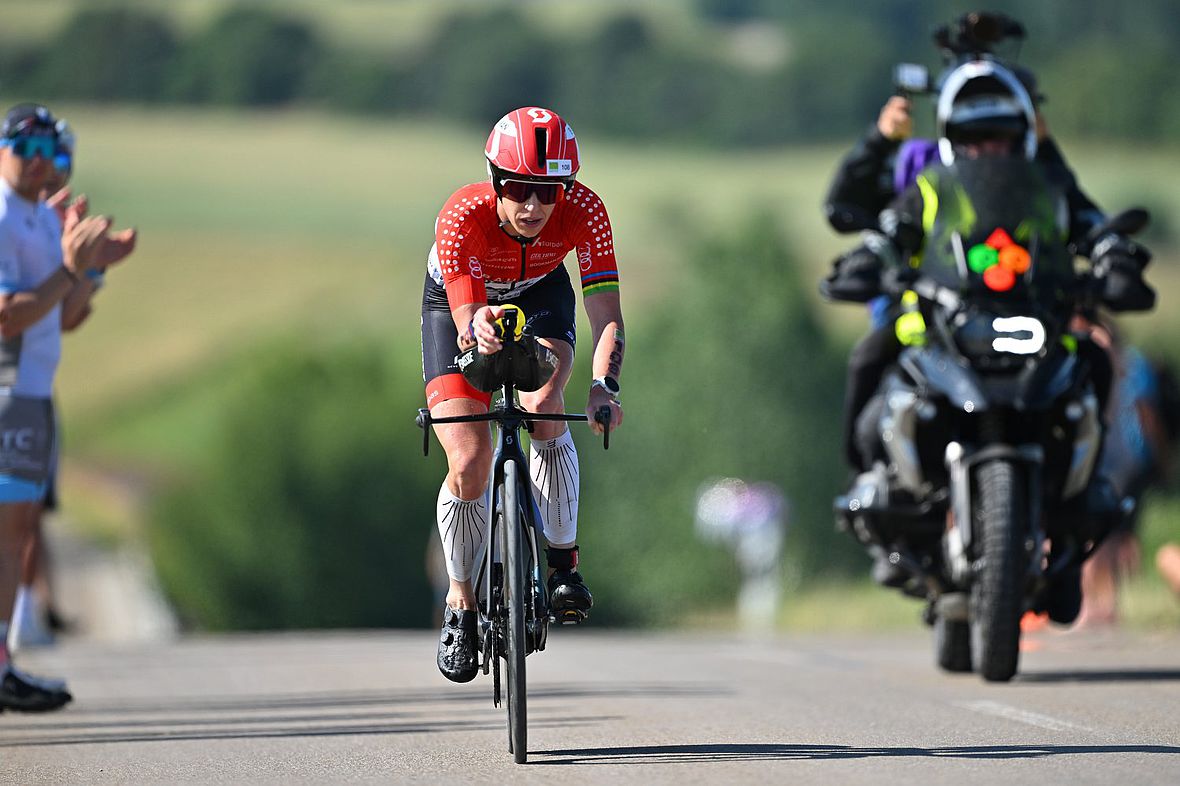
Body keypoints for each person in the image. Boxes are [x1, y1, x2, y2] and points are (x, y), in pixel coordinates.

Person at [821, 61, 1154, 616]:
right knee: (871, 359)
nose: (988, 150)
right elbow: (885, 232)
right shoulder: (930, 190)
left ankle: (1082, 495)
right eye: (976, 139)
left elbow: (1093, 228)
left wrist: (1113, 258)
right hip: (942, 337)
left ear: (1023, 136)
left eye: (1001, 138)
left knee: (1094, 359)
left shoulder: (1048, 190)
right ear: (954, 141)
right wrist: (866, 261)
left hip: (1035, 335)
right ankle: (873, 482)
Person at [420, 106, 624, 683]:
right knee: (469, 457)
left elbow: (606, 315)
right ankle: (460, 603)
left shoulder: (586, 211)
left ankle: (563, 564)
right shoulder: (463, 214)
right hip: (461, 302)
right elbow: (465, 313)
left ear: (568, 188)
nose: (533, 207)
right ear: (494, 180)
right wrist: (475, 324)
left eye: (548, 192)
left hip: (540, 294)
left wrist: (603, 386)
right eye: (516, 189)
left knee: (544, 409)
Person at [0, 103, 135, 712]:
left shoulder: (35, 217)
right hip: (7, 390)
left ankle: (3, 661)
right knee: (6, 534)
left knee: (18, 532)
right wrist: (68, 267)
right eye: (25, 149)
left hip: (30, 393)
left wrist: (92, 272)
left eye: (53, 154)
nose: (39, 165)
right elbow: (7, 316)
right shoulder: (4, 216)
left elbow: (66, 316)